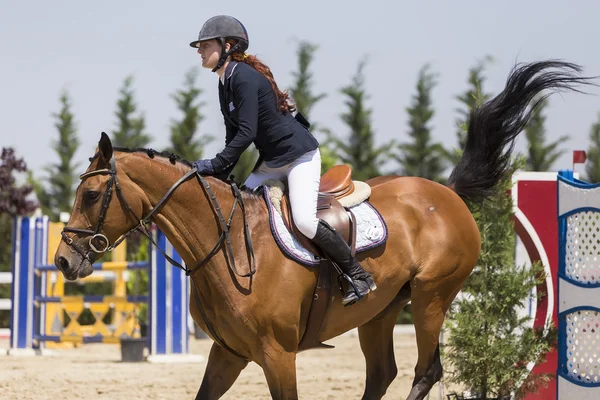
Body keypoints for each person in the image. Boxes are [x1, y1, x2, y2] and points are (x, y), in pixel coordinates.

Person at [189, 15, 376, 306]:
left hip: (299, 156)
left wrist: (214, 164)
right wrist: (219, 174)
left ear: (227, 46)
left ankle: (358, 275)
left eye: (205, 45)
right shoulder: (224, 82)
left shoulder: (242, 76)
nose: (199, 50)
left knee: (303, 220)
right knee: (237, 212)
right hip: (272, 161)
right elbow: (232, 137)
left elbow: (247, 133)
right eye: (198, 46)